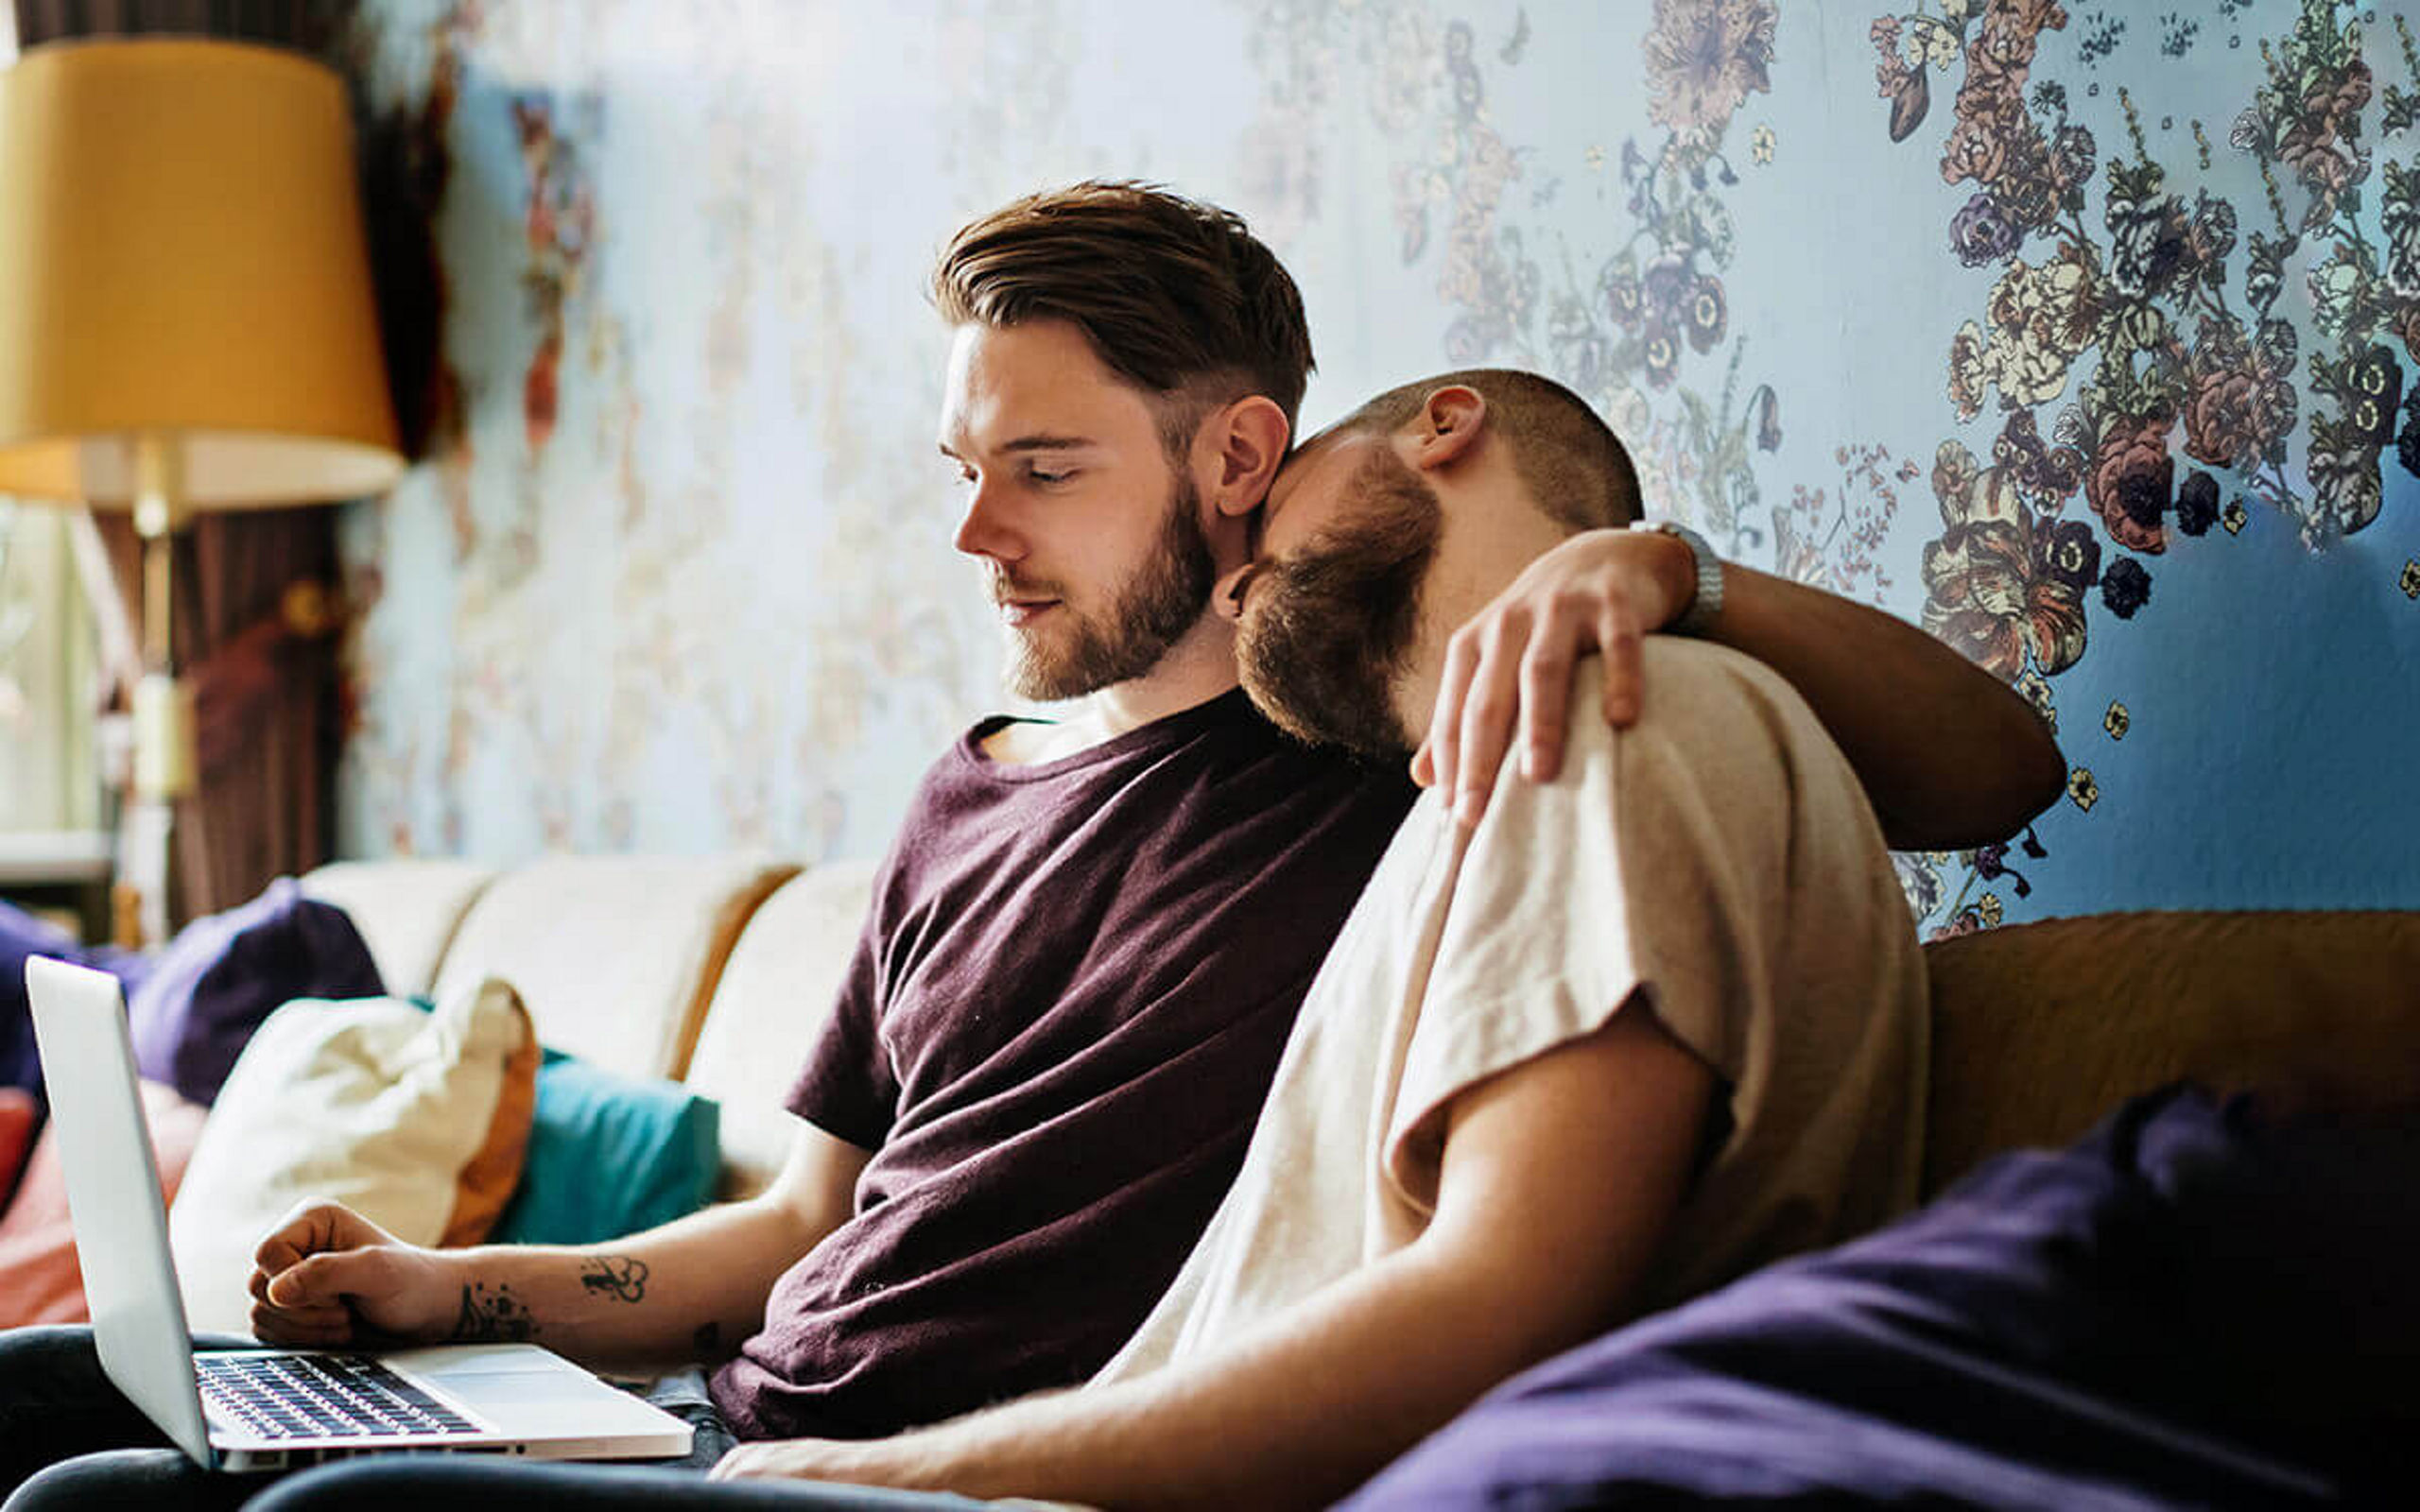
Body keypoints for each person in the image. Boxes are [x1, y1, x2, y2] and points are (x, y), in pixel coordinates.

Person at [0, 186, 2057, 1511]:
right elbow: (797, 1225)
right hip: (720, 1403)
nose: (974, 536)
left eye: (1042, 470)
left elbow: (1987, 765)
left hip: (910, 1461)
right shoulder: (973, 788)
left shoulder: (1430, 753)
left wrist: (1661, 569)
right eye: (961, 473)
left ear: (1276, 448)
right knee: (47, 1405)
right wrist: (459, 1292)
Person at [693, 368, 1946, 1508]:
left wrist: (880, 1484)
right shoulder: (1455, 800)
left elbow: (1497, 1308)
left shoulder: (1607, 714)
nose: (1236, 587)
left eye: (1276, 510)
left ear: (1445, 425)